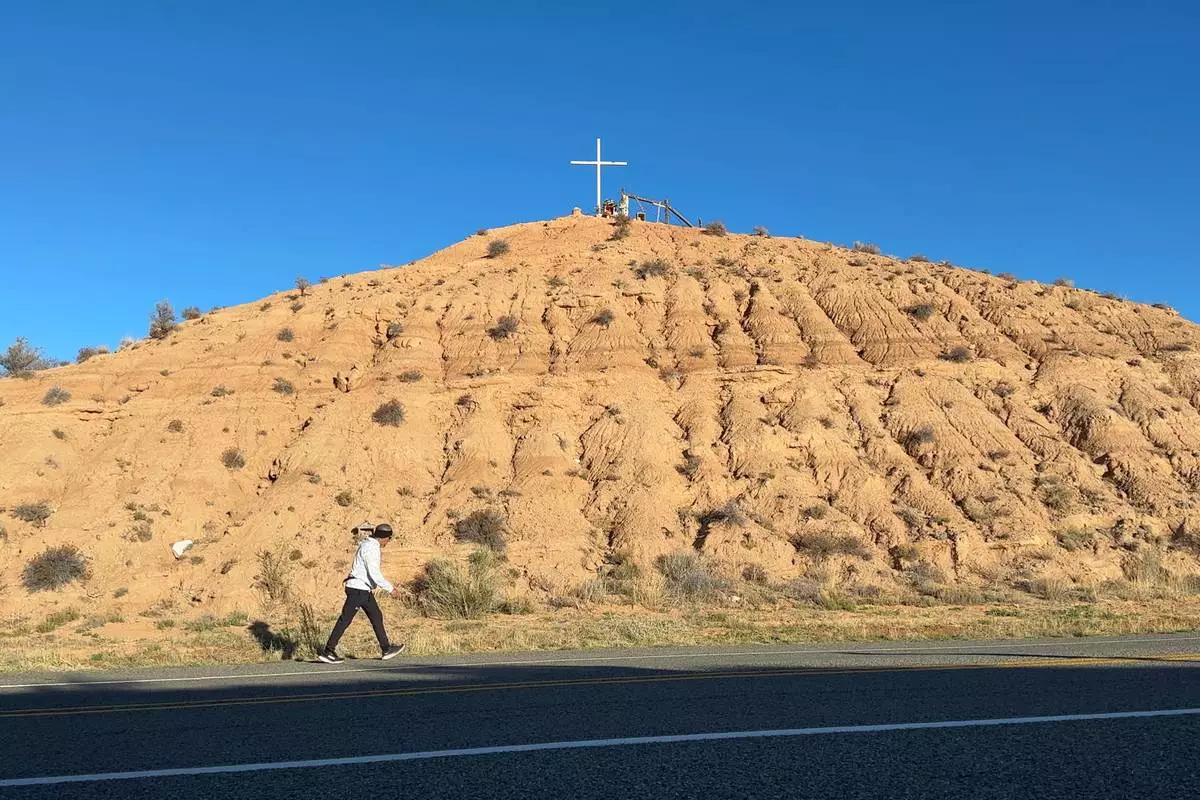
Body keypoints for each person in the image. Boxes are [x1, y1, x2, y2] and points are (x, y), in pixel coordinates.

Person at [317, 523, 405, 664]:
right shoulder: (371, 548)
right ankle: (328, 651)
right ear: (385, 538)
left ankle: (386, 648)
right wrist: (391, 589)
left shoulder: (368, 544)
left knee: (376, 616)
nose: (388, 542)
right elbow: (374, 573)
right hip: (358, 589)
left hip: (363, 589)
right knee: (345, 619)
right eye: (389, 539)